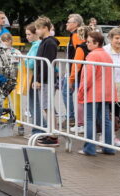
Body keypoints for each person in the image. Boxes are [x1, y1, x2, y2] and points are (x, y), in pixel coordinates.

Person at [78, 31, 117, 156]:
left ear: (96, 43)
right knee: (105, 120)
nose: (87, 43)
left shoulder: (92, 56)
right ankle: (108, 147)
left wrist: (82, 91)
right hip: (105, 93)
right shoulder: (106, 55)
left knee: (89, 119)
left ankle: (89, 148)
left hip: (94, 93)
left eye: (89, 41)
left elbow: (88, 77)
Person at [32, 17, 59, 147]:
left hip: (46, 80)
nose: (36, 31)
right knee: (46, 107)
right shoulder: (45, 42)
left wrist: (39, 80)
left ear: (45, 28)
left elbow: (46, 63)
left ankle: (53, 135)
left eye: (38, 28)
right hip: (44, 79)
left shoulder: (50, 43)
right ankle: (51, 133)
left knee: (47, 107)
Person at [61, 14, 85, 126]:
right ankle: (73, 117)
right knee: (67, 92)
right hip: (74, 70)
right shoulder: (74, 35)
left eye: (69, 21)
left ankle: (71, 117)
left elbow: (79, 55)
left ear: (75, 24)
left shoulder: (76, 36)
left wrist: (72, 76)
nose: (66, 23)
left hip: (76, 71)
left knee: (66, 92)